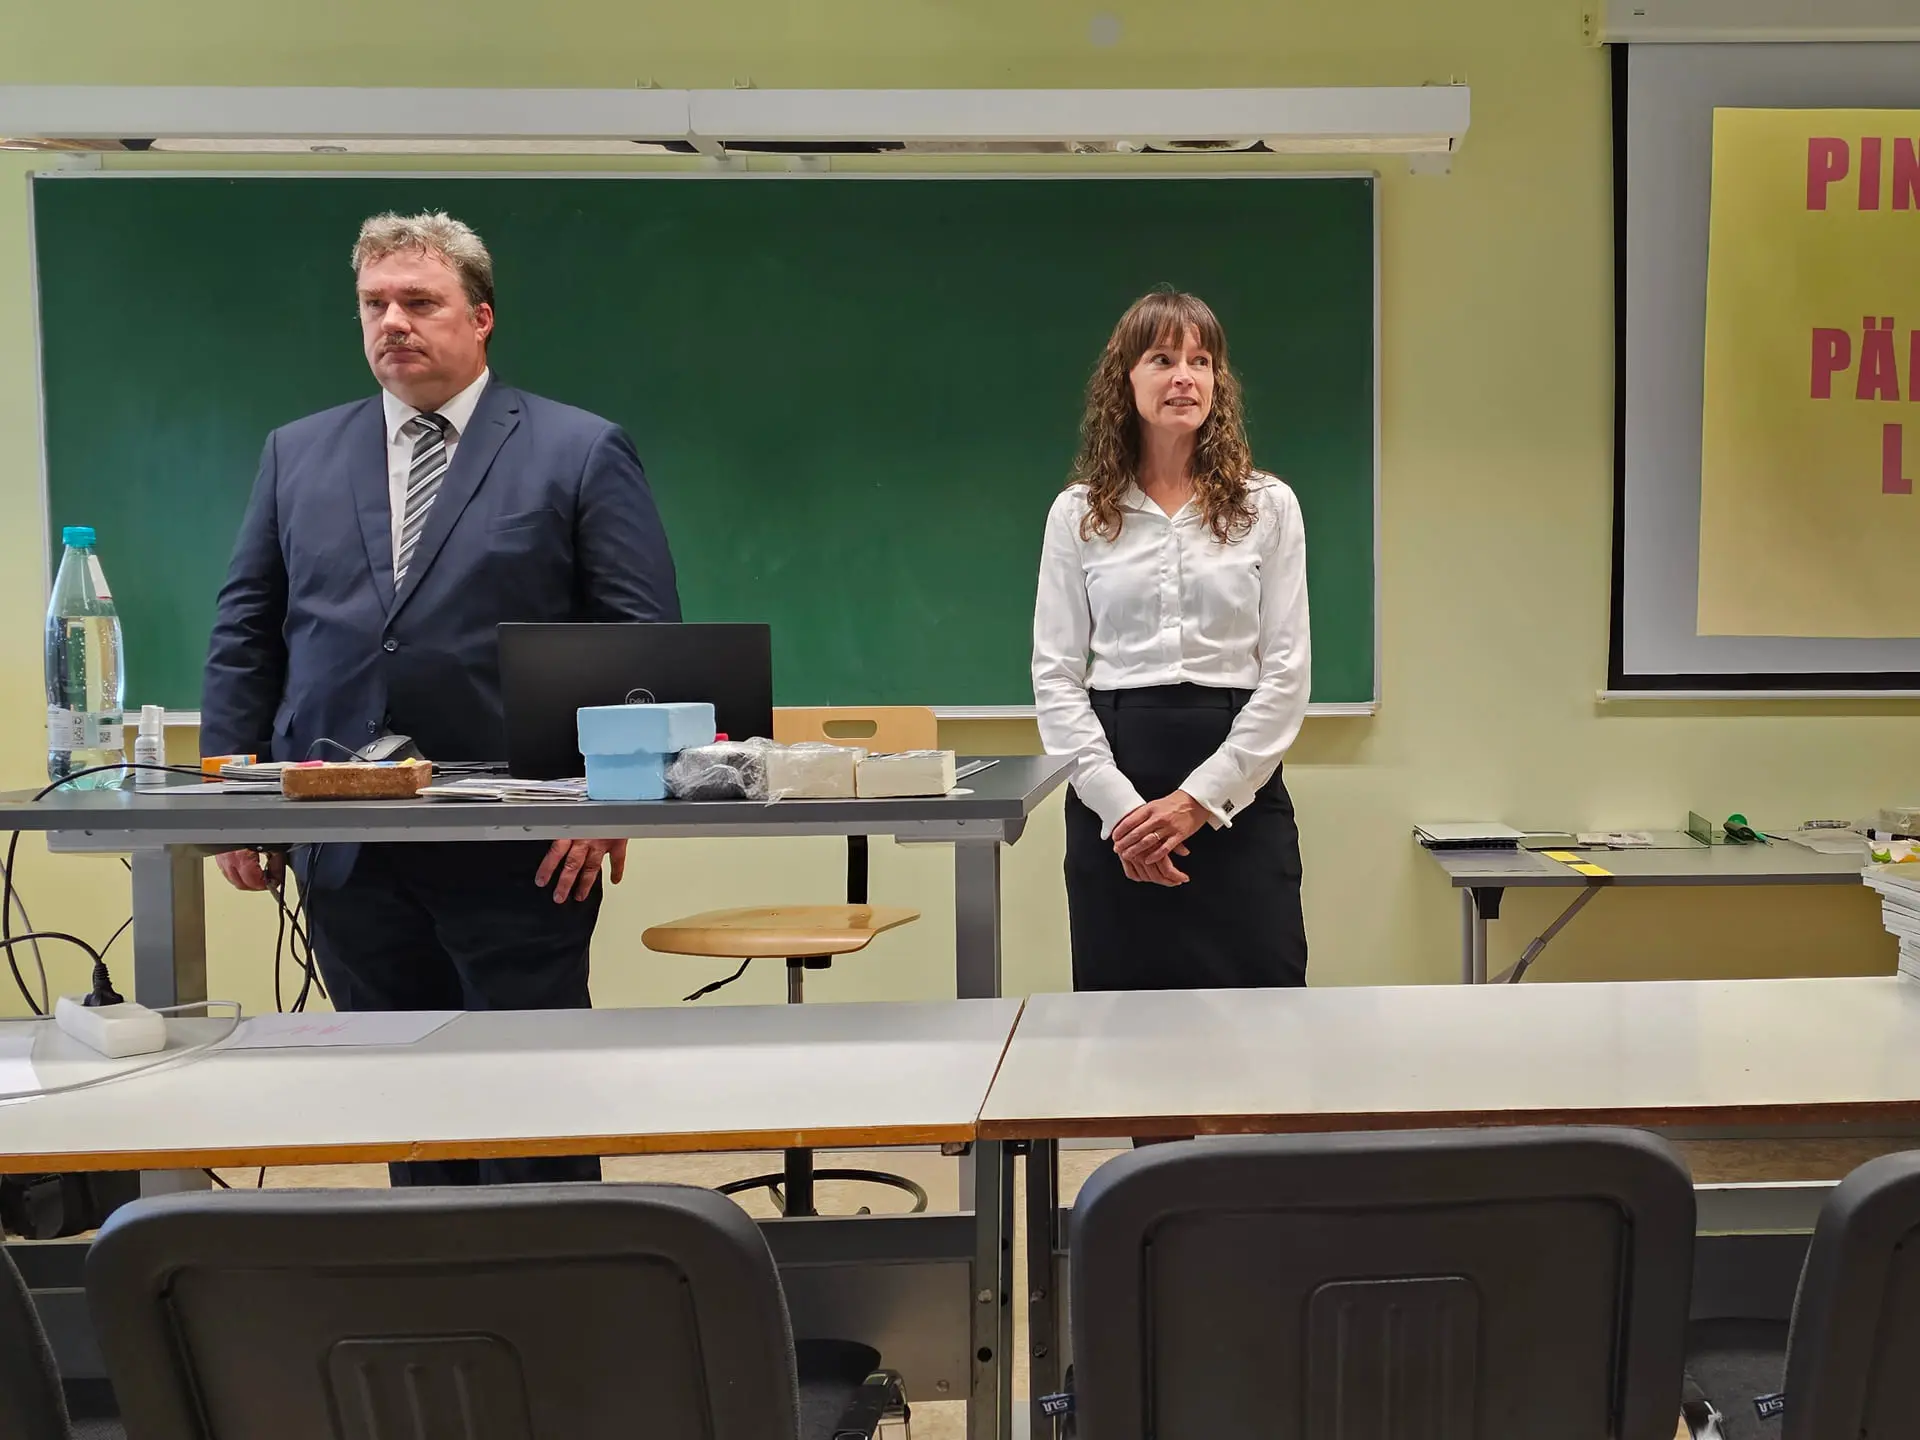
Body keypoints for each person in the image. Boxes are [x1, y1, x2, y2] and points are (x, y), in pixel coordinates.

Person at [201, 211, 680, 1186]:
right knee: (407, 1116)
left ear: (481, 317)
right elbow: (246, 630)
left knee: (532, 1114)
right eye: (374, 304)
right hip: (344, 843)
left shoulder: (577, 449)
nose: (393, 322)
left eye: (420, 301)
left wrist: (614, 798)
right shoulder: (297, 453)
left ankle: (555, 1279)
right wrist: (230, 800)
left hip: (522, 844)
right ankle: (437, 1282)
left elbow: (642, 641)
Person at [1033, 288, 1311, 996]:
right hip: (1115, 782)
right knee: (1121, 1018)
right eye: (1162, 359)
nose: (1184, 376)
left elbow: (1286, 675)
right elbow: (1056, 676)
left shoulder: (1266, 506)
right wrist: (1122, 810)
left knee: (1263, 1008)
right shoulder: (1078, 514)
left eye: (1201, 361)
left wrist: (1198, 800)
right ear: (1125, 381)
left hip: (1238, 788)